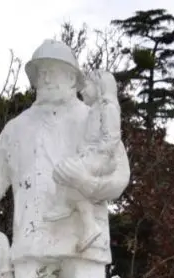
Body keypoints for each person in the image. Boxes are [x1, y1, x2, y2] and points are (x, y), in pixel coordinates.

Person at [0, 39, 130, 278]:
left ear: (73, 77)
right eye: (40, 72)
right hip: (32, 239)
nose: (45, 77)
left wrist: (89, 183)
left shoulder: (94, 116)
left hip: (85, 241)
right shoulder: (16, 129)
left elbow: (120, 177)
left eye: (53, 70)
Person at [44, 69, 123, 253]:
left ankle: (69, 209)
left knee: (65, 171)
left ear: (99, 86)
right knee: (64, 173)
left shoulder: (108, 108)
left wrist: (93, 154)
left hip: (102, 158)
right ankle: (86, 223)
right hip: (91, 155)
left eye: (87, 85)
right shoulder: (94, 110)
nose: (83, 90)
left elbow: (111, 138)